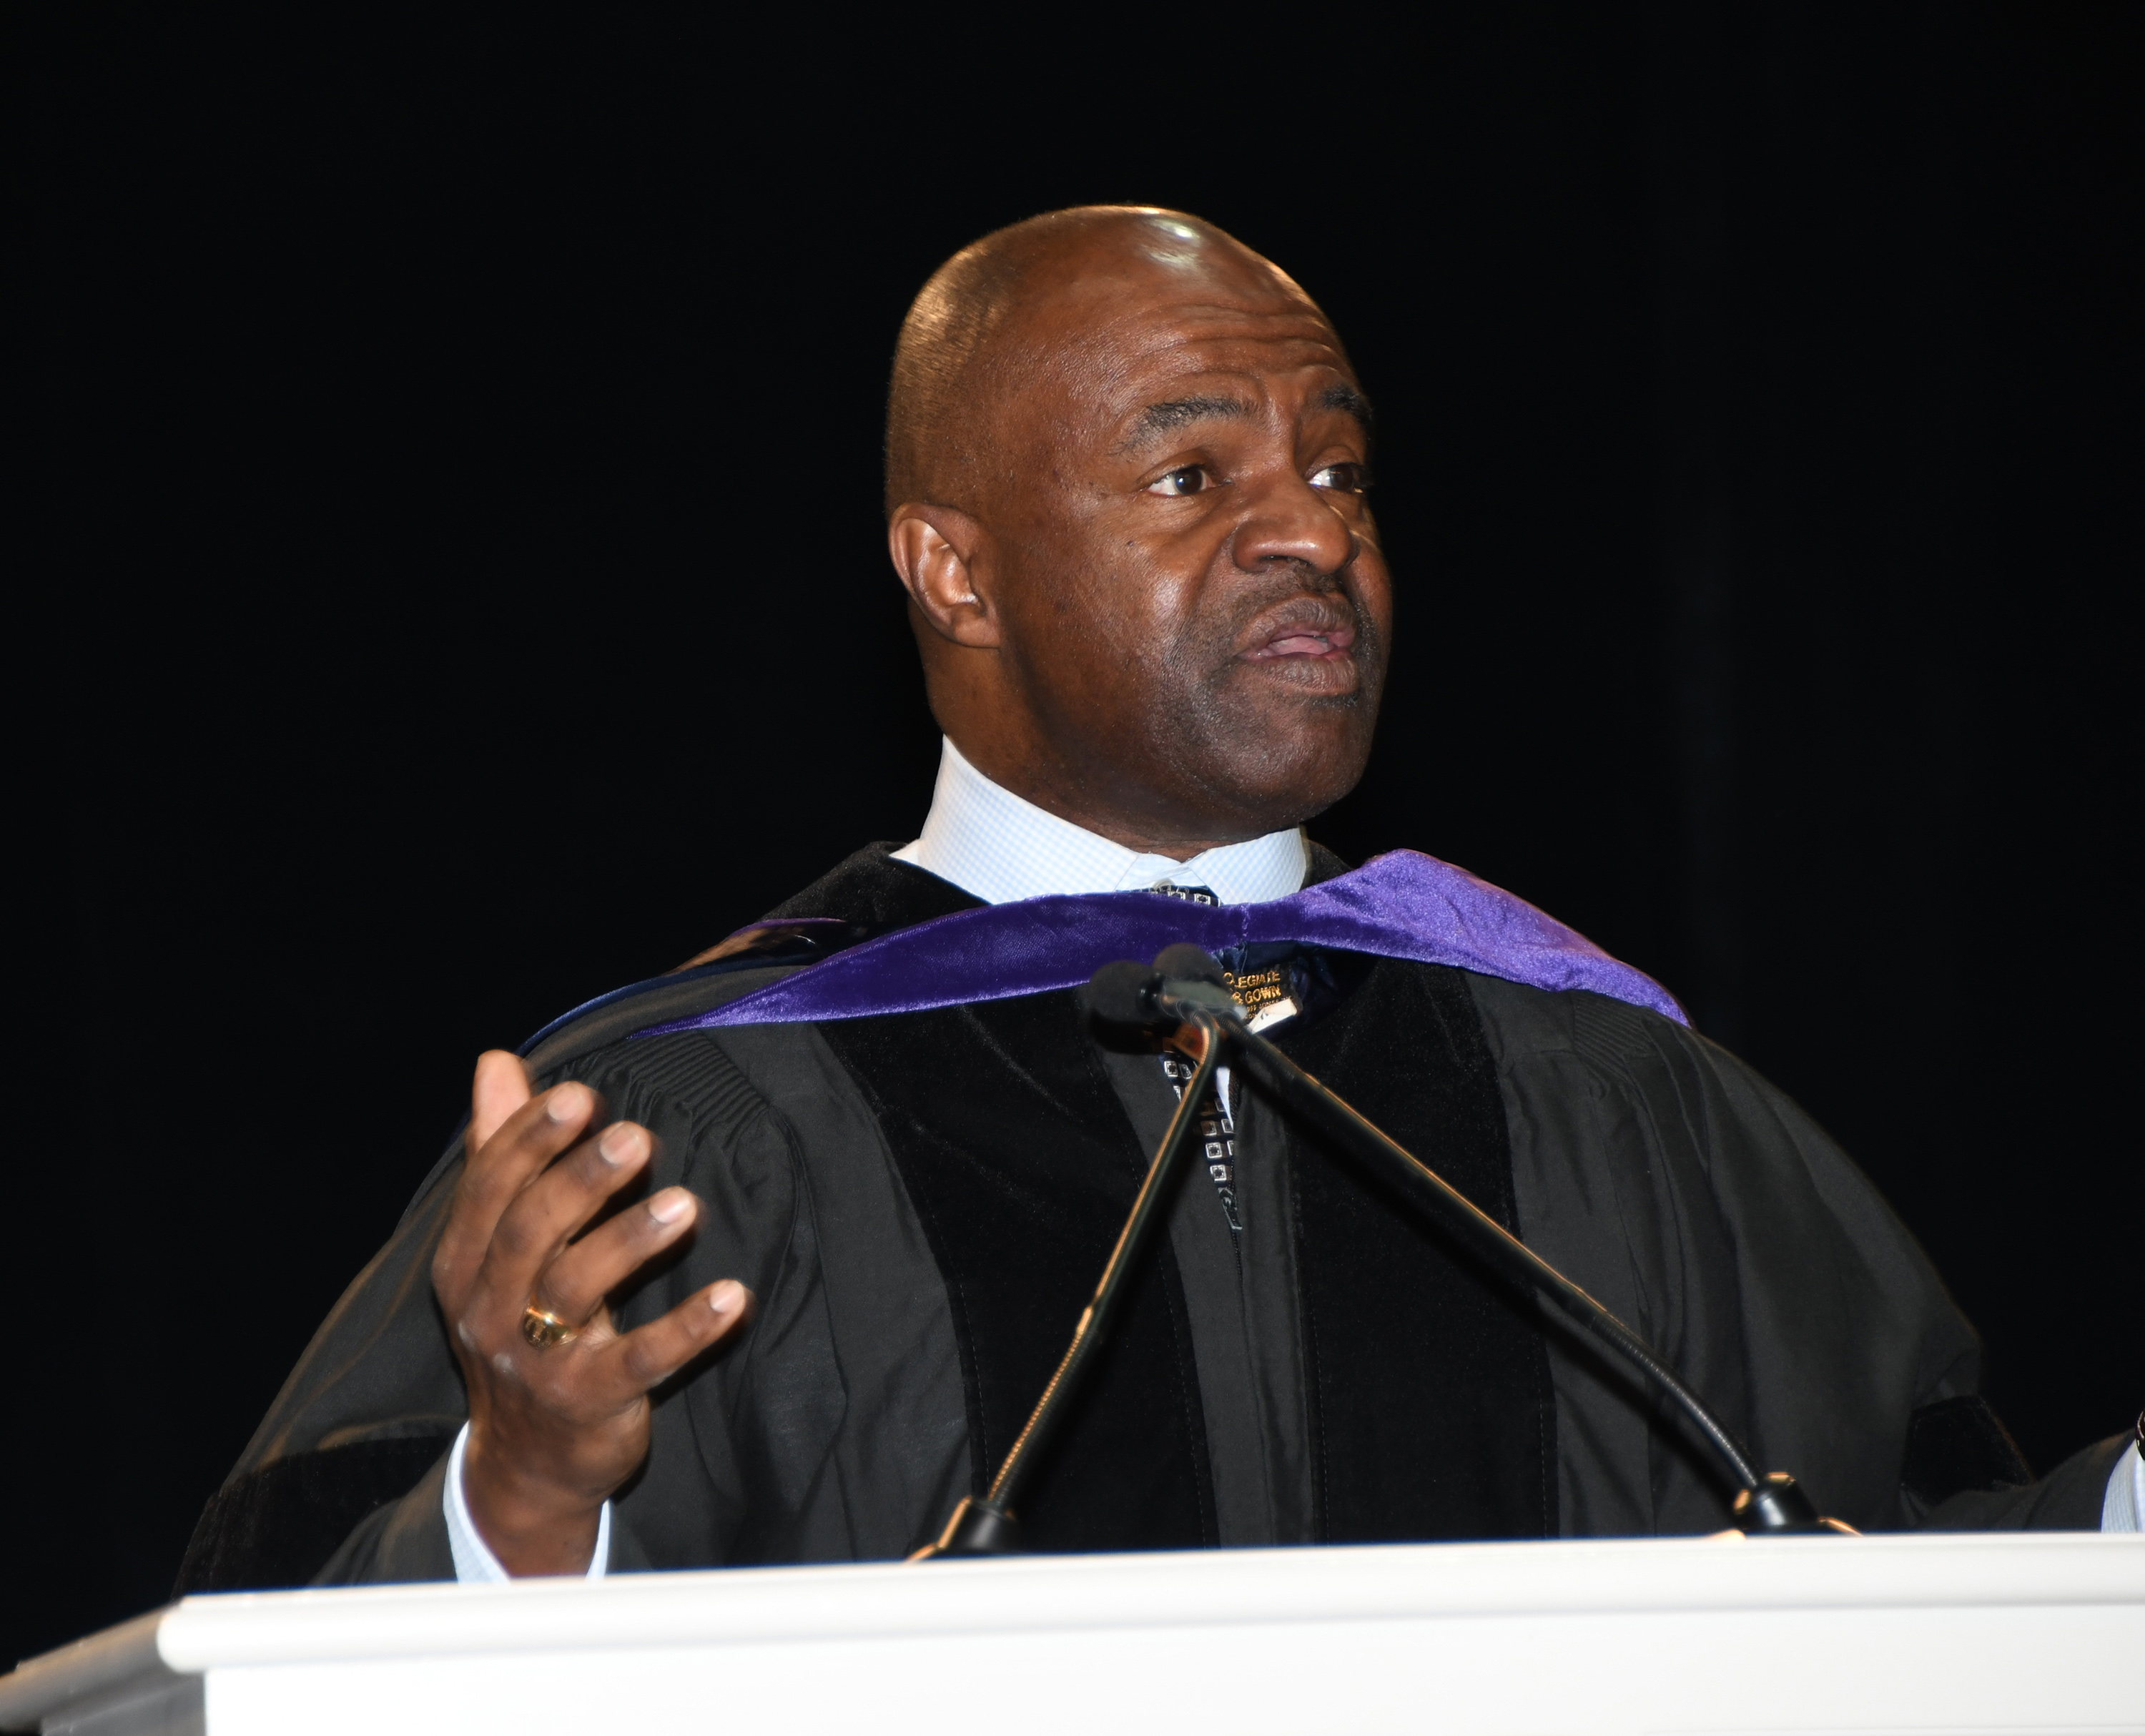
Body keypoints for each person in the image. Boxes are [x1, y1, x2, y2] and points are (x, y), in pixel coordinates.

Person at [179, 207, 2140, 1591]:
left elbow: (1936, 1573)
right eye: (1196, 478)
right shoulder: (674, 1134)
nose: (1316, 530)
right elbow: (270, 1652)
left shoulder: (1601, 1078)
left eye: (1345, 468)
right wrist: (519, 1498)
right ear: (952, 570)